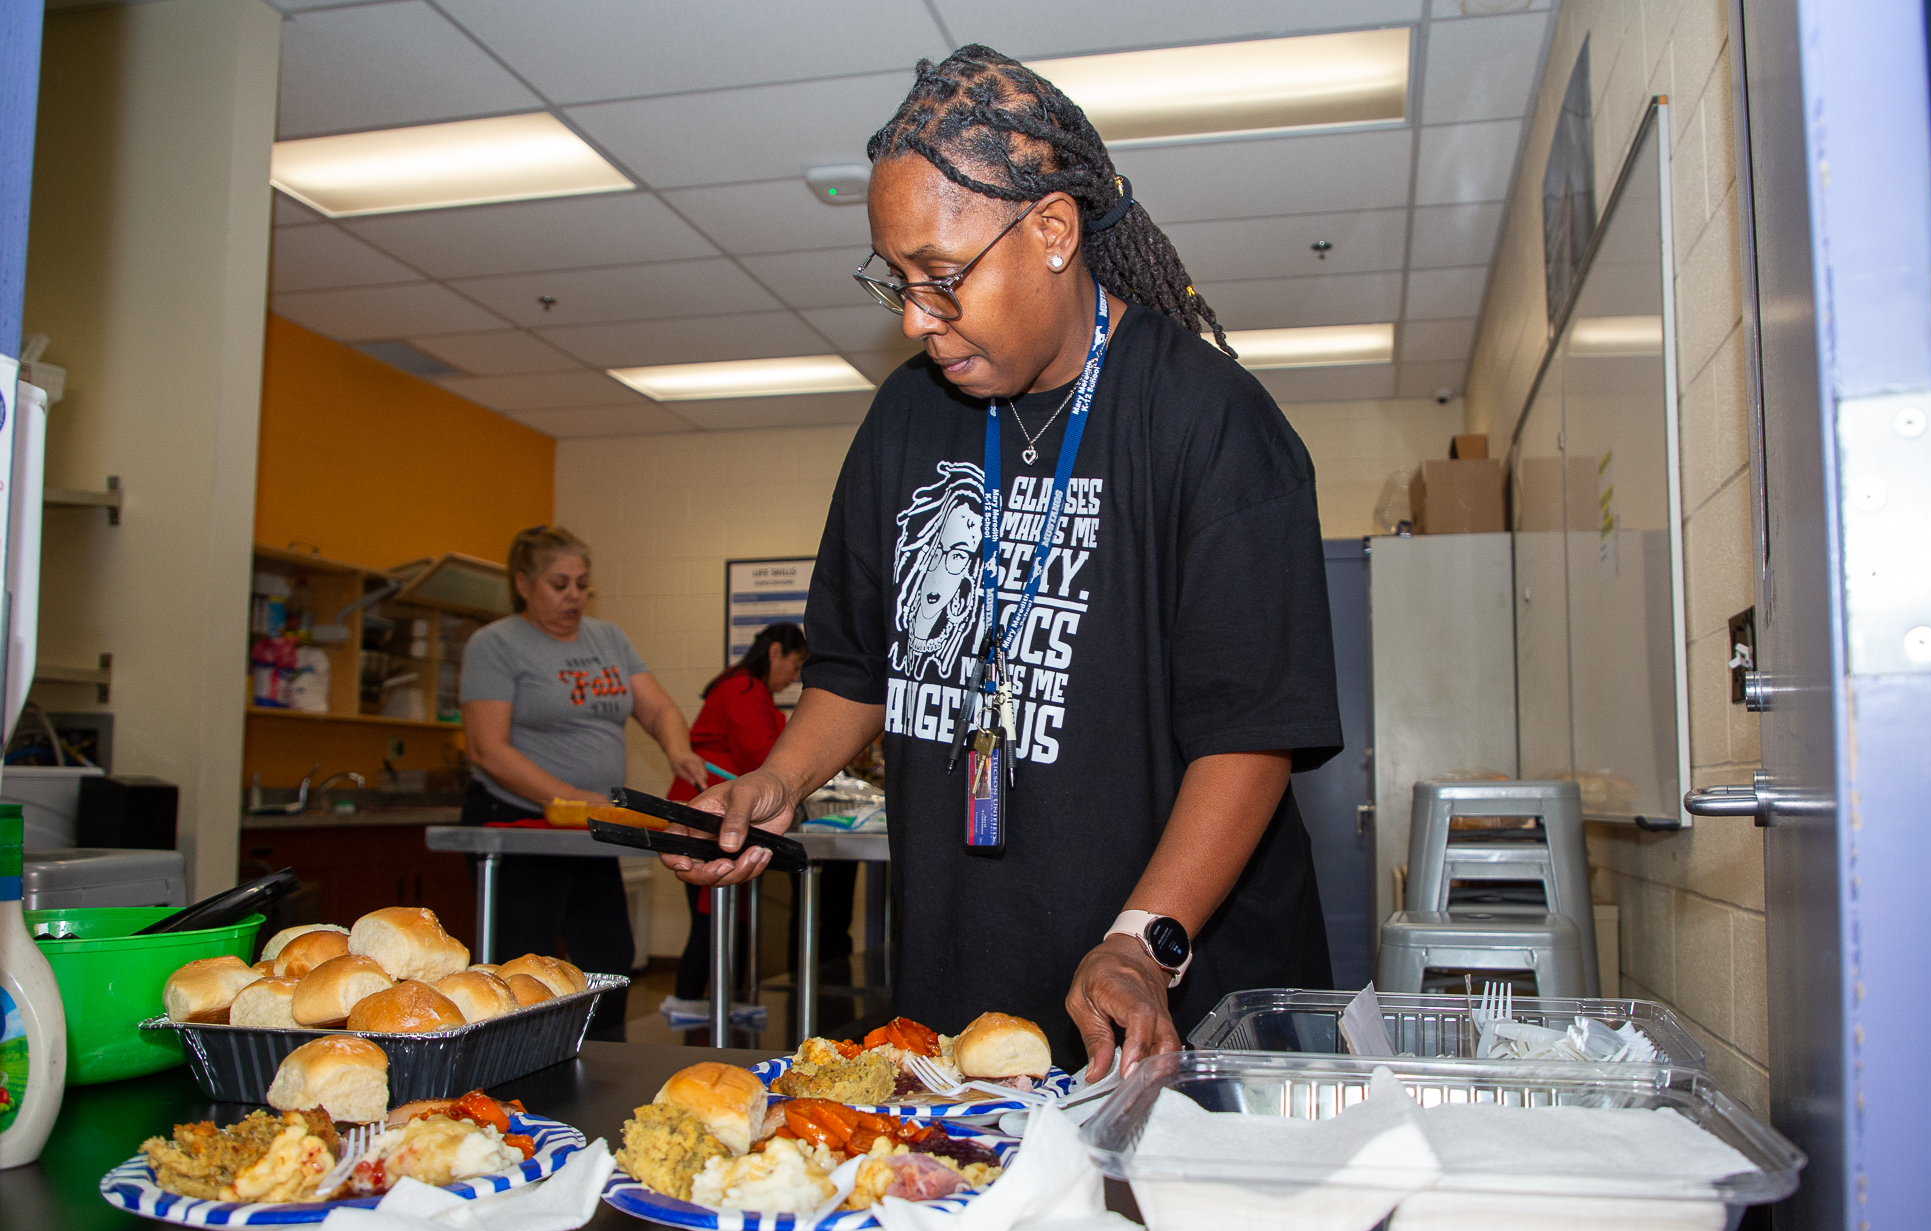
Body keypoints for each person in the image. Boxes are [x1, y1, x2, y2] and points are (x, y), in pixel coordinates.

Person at [661, 46, 1342, 1081]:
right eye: (896, 283)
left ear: (1053, 232)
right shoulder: (906, 414)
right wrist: (775, 780)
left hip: (1175, 1006)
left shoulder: (1209, 423)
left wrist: (1141, 940)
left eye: (941, 279)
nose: (912, 318)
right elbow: (855, 668)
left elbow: (1249, 735)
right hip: (963, 993)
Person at [460, 525, 707, 1032]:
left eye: (581, 583)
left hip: (586, 826)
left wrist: (678, 749)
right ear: (524, 585)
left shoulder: (607, 637)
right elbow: (488, 749)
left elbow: (657, 709)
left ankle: (601, 1068)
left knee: (608, 954)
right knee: (524, 964)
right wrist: (573, 798)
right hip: (520, 820)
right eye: (559, 584)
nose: (573, 596)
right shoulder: (496, 645)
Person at [666, 623, 856, 1003]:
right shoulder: (742, 689)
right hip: (711, 811)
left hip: (735, 812)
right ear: (774, 653)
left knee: (732, 917)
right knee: (712, 916)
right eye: (796, 663)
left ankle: (729, 1002)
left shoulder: (758, 694)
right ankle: (687, 1001)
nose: (796, 675)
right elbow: (761, 760)